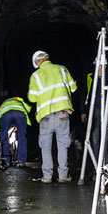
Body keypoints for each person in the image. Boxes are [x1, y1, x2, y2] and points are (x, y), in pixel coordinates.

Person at [27, 50, 77, 183]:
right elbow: (73, 88)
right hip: (62, 113)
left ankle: (47, 176)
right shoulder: (62, 69)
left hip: (46, 115)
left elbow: (32, 98)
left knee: (45, 146)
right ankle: (63, 176)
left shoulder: (36, 75)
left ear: (37, 62)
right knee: (63, 145)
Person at [0, 96, 32, 166]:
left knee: (4, 137)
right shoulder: (20, 101)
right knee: (22, 137)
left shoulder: (3, 105)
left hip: (6, 115)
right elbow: (28, 108)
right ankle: (21, 161)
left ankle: (6, 160)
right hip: (20, 115)